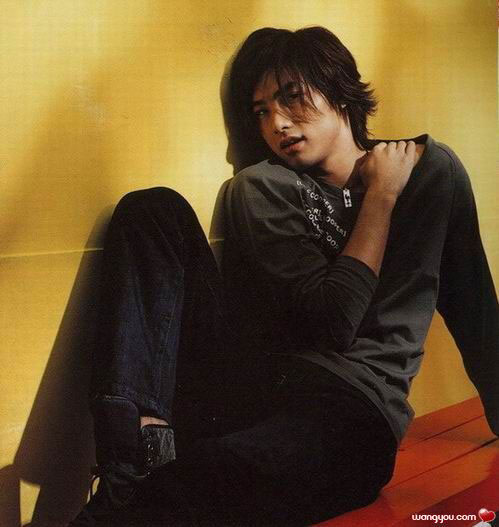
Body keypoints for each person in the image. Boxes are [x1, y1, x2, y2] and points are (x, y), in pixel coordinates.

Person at [70, 26, 498, 526]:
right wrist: (381, 198)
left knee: (212, 475)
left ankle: (136, 498)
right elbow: (332, 322)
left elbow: (474, 306)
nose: (277, 122)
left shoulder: (430, 171)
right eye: (261, 111)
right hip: (258, 386)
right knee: (152, 209)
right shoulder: (262, 187)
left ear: (339, 90)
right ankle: (129, 465)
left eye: (292, 97)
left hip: (352, 411)